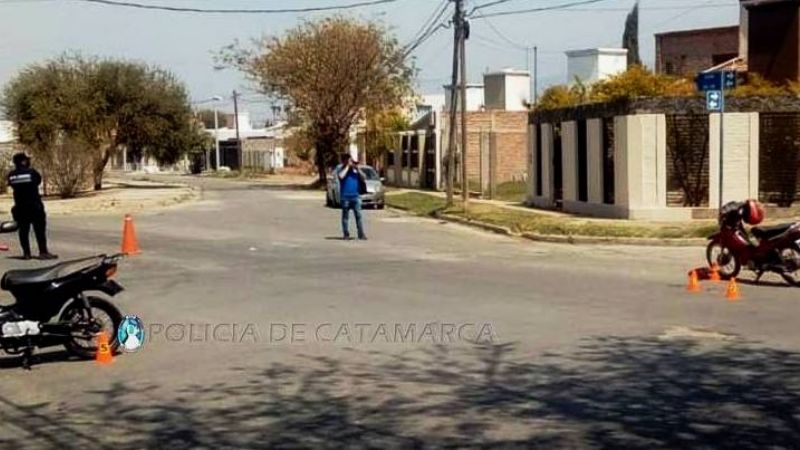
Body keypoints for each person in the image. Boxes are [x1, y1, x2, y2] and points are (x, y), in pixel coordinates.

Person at [7, 153, 57, 260]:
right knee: (39, 230)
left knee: (23, 231)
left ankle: (26, 254)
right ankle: (43, 252)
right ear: (24, 161)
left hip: (20, 207)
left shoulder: (12, 175)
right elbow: (38, 181)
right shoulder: (31, 172)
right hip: (35, 206)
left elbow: (11, 185)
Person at [336, 153, 367, 240]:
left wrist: (358, 169)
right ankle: (346, 234)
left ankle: (361, 234)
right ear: (344, 161)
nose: (349, 162)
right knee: (345, 217)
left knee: (359, 216)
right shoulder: (341, 169)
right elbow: (341, 177)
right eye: (347, 160)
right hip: (345, 197)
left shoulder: (355, 170)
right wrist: (347, 167)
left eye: (350, 160)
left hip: (355, 197)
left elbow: (364, 177)